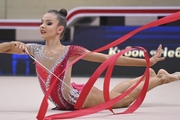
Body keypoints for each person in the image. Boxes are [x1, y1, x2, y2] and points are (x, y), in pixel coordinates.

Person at [0, 8, 179, 110]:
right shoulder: (33, 49)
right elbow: (3, 49)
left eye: (48, 23)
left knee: (122, 100)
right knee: (113, 94)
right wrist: (12, 43)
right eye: (41, 22)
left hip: (76, 99)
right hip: (63, 101)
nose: (42, 26)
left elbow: (108, 60)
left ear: (60, 29)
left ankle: (159, 78)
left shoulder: (71, 51)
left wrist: (148, 60)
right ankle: (147, 75)